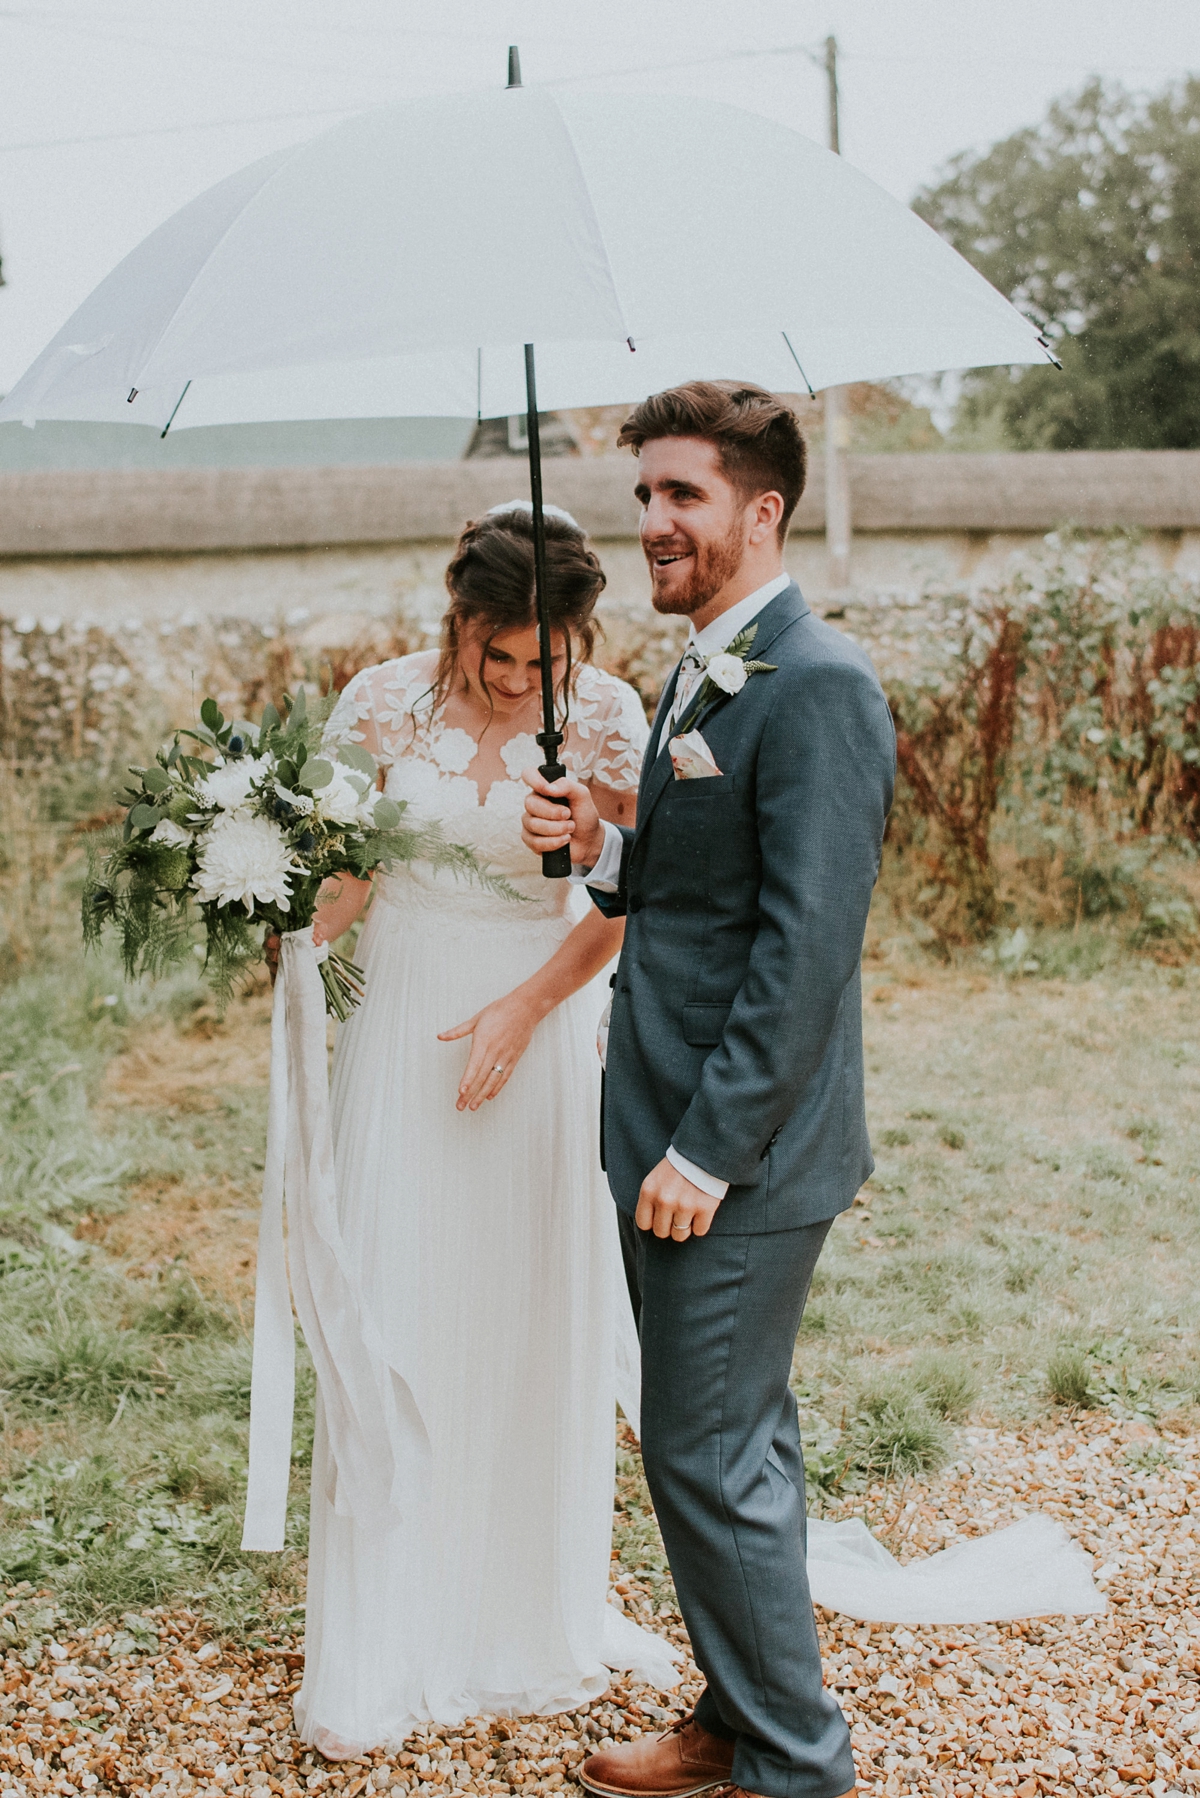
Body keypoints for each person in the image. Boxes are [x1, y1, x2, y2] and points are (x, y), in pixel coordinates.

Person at [523, 382, 897, 1798]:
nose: (655, 522)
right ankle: (740, 1714)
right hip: (667, 1120)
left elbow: (807, 953)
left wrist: (709, 1149)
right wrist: (604, 844)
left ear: (762, 509)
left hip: (728, 1152)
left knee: (704, 1446)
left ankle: (792, 1763)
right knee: (730, 1439)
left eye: (683, 494)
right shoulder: (708, 665)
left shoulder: (821, 685)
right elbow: (702, 894)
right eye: (645, 496)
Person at [294, 501, 665, 1755]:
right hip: (402, 1031)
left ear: (580, 641)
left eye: (539, 662)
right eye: (492, 655)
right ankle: (392, 1623)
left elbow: (623, 900)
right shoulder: (379, 703)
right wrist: (282, 927)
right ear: (456, 620)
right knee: (394, 1302)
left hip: (542, 1025)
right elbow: (343, 872)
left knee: (521, 1313)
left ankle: (518, 1611)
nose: (513, 681)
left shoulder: (610, 715)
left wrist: (525, 1004)